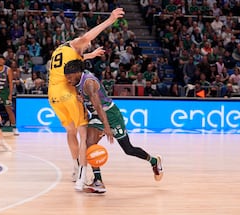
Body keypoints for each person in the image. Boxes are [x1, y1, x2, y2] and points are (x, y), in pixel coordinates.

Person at [48, 8, 125, 191]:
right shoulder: (76, 43)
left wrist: (91, 55)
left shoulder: (60, 50)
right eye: (87, 47)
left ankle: (75, 168)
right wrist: (110, 20)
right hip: (68, 94)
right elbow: (87, 37)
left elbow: (77, 59)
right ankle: (83, 175)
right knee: (83, 134)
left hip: (52, 94)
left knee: (70, 131)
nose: (87, 47)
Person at [64, 59, 163, 193]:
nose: (68, 80)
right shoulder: (77, 80)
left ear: (77, 73)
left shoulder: (89, 83)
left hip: (110, 114)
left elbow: (98, 106)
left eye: (69, 77)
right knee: (88, 144)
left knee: (128, 149)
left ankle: (154, 161)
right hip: (96, 116)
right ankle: (98, 181)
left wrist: (107, 127)